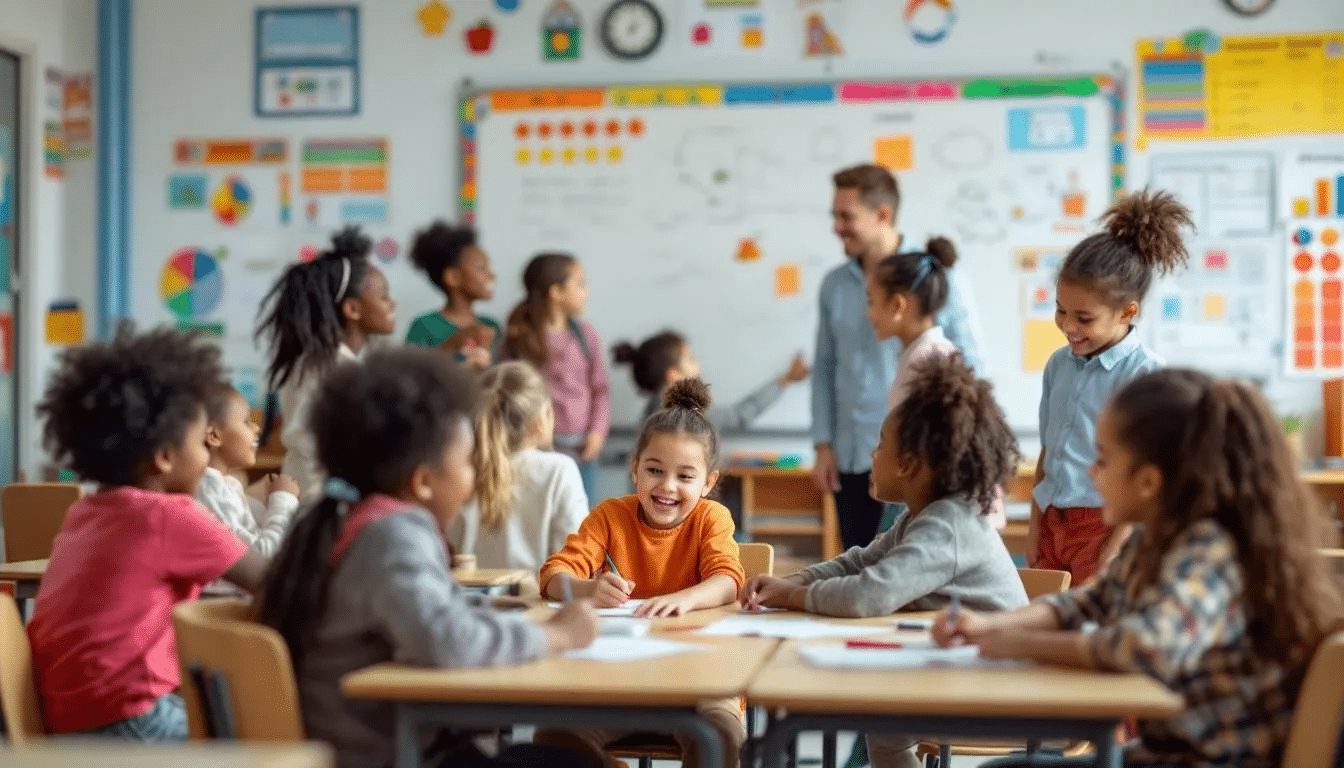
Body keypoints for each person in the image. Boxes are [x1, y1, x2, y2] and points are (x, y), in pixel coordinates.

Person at [936, 369, 1344, 768]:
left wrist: (1021, 646)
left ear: (1148, 482)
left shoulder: (1208, 549)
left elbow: (1147, 648)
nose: (1091, 474)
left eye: (1102, 460)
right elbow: (1084, 604)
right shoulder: (1155, 540)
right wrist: (991, 627)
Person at [255, 347, 602, 768]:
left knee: (569, 751)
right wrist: (558, 636)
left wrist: (485, 608)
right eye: (467, 463)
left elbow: (417, 614)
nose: (474, 476)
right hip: (392, 754)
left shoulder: (344, 519)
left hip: (366, 741)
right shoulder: (393, 535)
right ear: (422, 481)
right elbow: (449, 641)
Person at [741, 355, 1026, 768]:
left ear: (909, 464)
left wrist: (794, 596)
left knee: (885, 721)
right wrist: (797, 578)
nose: (872, 455)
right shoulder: (923, 515)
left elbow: (868, 595)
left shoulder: (948, 525)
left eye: (880, 446)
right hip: (959, 665)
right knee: (885, 727)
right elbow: (861, 562)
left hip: (997, 686)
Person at [27, 325, 267, 740]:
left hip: (66, 719)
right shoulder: (168, 516)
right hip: (132, 718)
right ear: (164, 458)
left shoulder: (85, 512)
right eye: (201, 445)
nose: (207, 456)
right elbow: (274, 580)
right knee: (267, 729)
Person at [537, 378, 746, 768]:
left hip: (700, 679)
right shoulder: (610, 515)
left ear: (708, 483)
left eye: (685, 477)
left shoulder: (712, 517)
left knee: (719, 736)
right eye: (654, 470)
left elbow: (729, 581)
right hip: (620, 678)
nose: (667, 486)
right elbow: (552, 576)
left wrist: (683, 598)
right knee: (553, 736)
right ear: (635, 469)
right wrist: (585, 589)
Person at [813, 163, 985, 552]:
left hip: (914, 460)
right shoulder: (834, 285)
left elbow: (971, 369)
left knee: (903, 564)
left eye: (846, 216)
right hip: (853, 455)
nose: (837, 226)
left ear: (882, 215)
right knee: (860, 559)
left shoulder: (935, 276)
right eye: (835, 216)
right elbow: (824, 366)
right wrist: (823, 444)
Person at [1031, 190, 1191, 584]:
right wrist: (1037, 525)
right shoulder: (1057, 365)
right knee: (1042, 623)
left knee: (1089, 629)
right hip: (1052, 523)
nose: (1068, 326)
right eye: (1060, 311)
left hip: (1104, 527)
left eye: (1083, 318)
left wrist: (1117, 544)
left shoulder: (1144, 375)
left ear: (1127, 312)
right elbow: (1048, 452)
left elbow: (1153, 475)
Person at [865, 237, 1005, 529]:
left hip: (939, 509)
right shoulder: (916, 355)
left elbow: (938, 449)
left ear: (898, 305)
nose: (868, 313)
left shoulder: (928, 360)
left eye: (871, 302)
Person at [256, 226, 396, 499]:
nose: (393, 305)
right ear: (352, 309)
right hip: (318, 502)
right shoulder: (323, 367)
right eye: (383, 297)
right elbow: (310, 447)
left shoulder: (349, 363)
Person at [450, 361, 588, 572]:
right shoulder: (559, 470)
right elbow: (577, 562)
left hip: (468, 602)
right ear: (539, 420)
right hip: (540, 603)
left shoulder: (461, 471)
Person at [504, 252, 609, 502]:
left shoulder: (585, 335)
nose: (586, 292)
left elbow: (601, 389)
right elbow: (508, 394)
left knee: (582, 525)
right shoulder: (519, 338)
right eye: (580, 284)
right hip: (536, 451)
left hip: (583, 450)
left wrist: (597, 432)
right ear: (556, 292)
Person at [195, 384, 299, 594]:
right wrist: (283, 500)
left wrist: (259, 504)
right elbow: (262, 557)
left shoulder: (225, 485)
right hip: (221, 601)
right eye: (246, 422)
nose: (256, 428)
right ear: (214, 436)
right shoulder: (209, 488)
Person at [612, 331, 810, 430]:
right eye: (690, 360)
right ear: (673, 375)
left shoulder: (650, 414)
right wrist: (785, 380)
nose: (697, 366)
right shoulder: (687, 415)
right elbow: (741, 414)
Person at [404, 221, 500, 369]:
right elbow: (411, 377)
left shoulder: (492, 326)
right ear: (453, 277)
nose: (492, 274)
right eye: (482, 268)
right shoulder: (423, 327)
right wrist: (453, 344)